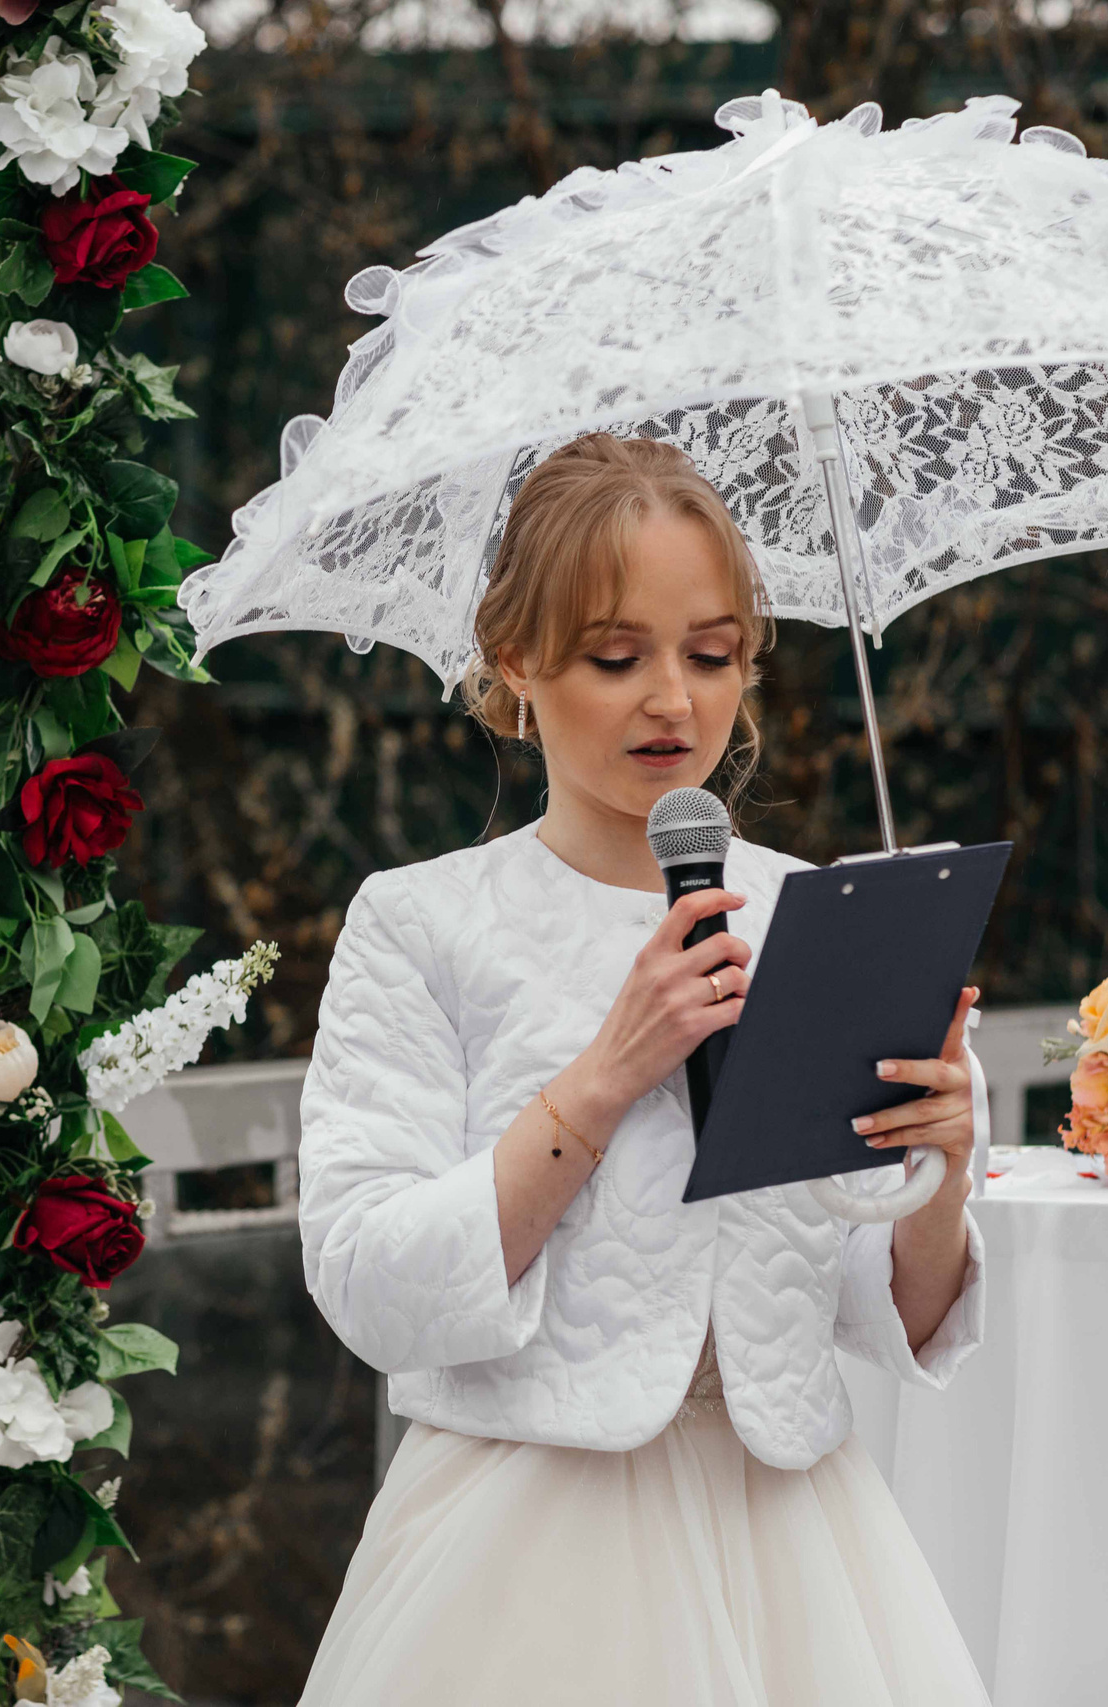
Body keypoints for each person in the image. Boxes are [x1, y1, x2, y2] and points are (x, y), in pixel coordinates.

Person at [294, 433, 991, 1706]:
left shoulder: (818, 916)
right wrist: (604, 1076)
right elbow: (365, 1283)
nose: (674, 700)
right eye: (617, 658)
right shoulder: (420, 922)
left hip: (797, 1541)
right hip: (522, 1549)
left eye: (713, 654)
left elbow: (881, 1303)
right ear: (514, 662)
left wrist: (938, 1170)